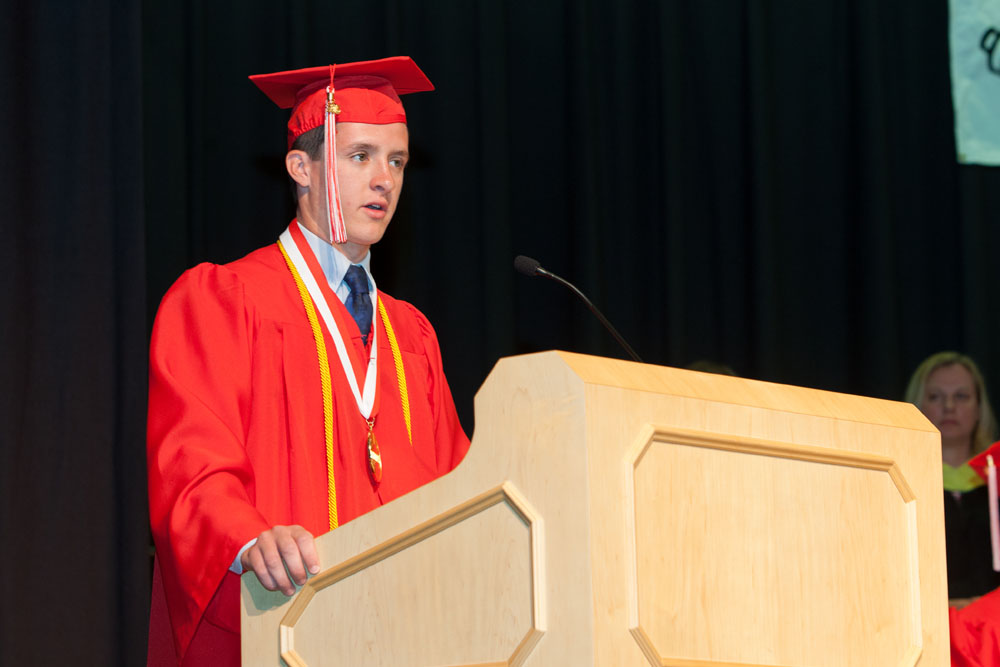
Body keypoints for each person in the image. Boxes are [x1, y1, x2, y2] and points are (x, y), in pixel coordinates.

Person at [146, 57, 470, 666]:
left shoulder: (411, 334)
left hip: (401, 638)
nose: (384, 179)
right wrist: (248, 539)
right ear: (301, 168)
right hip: (274, 622)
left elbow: (457, 487)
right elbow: (191, 464)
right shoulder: (223, 300)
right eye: (360, 156)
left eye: (397, 161)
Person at [904, 351, 1000, 601]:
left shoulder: (996, 479)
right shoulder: (899, 483)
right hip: (924, 618)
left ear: (979, 409)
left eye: (961, 396)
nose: (949, 407)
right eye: (935, 397)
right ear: (916, 407)